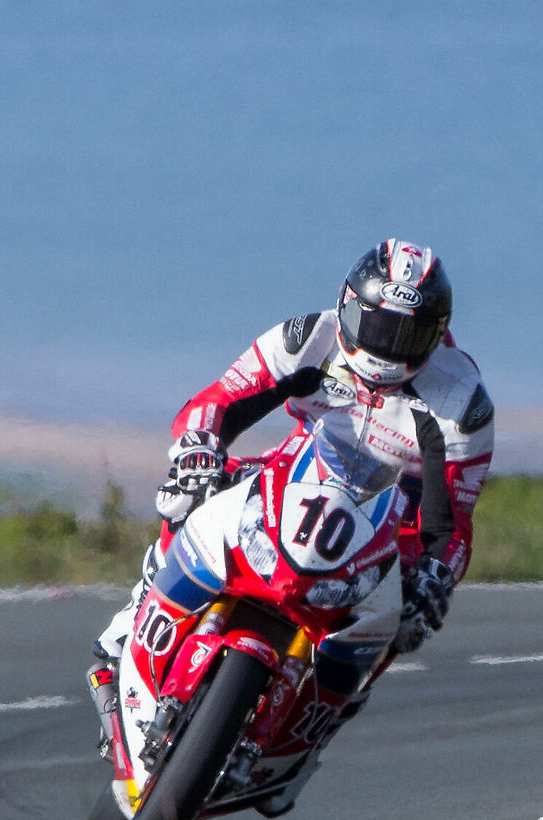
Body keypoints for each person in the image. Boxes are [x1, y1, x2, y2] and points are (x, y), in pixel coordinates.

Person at [92, 237, 496, 667]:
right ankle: (145, 602)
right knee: (186, 494)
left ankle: (340, 695)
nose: (387, 347)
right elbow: (218, 401)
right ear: (348, 303)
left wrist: (437, 578)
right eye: (376, 326)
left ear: (435, 335)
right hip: (293, 474)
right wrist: (199, 451)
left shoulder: (461, 402)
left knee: (410, 618)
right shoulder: (307, 338)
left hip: (390, 524)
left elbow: (450, 524)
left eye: (406, 336)